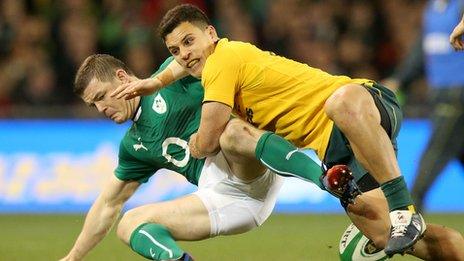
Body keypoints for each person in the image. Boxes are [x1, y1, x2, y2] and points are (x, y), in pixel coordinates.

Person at [109, 4, 459, 257]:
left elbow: (210, 134)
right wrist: (154, 81)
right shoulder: (207, 64)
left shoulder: (223, 60)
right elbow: (180, 67)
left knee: (340, 103)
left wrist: (197, 146)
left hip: (364, 103)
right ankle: (414, 228)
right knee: (390, 237)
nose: (183, 55)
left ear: (212, 34)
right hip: (337, 148)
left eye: (189, 42)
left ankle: (404, 208)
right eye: (174, 50)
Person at [60, 54, 285, 261]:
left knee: (231, 135)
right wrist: (72, 258)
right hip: (228, 201)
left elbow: (218, 54)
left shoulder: (172, 76)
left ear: (121, 77)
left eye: (101, 96)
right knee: (128, 224)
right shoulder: (133, 146)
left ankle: (317, 174)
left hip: (252, 163)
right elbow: (108, 204)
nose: (100, 108)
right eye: (93, 104)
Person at [384, 0, 464, 213]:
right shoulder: (434, 9)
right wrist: (399, 79)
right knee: (455, 149)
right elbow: (422, 49)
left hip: (458, 92)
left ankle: (410, 208)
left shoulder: (460, 7)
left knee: (435, 151)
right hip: (439, 92)